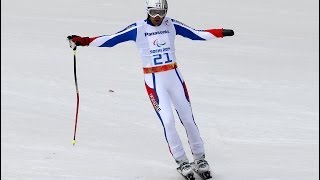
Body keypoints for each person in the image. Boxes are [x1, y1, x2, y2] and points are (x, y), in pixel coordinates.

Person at [67, 0, 234, 178]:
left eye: (161, 13)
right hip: (154, 80)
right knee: (168, 121)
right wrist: (84, 41)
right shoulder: (138, 28)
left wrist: (220, 32)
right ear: (148, 10)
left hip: (174, 76)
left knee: (188, 119)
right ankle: (182, 160)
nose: (157, 17)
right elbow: (111, 39)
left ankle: (200, 157)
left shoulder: (171, 24)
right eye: (154, 12)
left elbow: (196, 34)